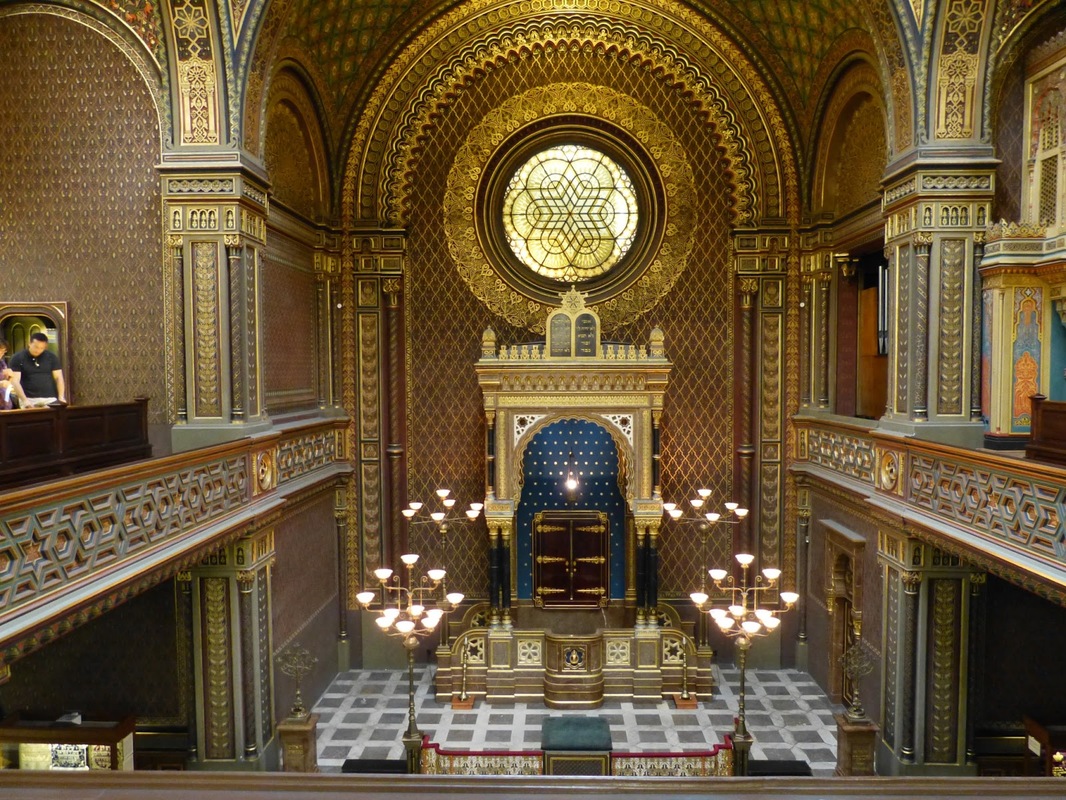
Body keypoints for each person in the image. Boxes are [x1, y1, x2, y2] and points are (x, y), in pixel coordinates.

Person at [9, 332, 66, 408]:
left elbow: (59, 378)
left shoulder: (51, 357)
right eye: (36, 347)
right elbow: (15, 381)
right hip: (29, 398)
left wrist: (61, 396)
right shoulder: (18, 358)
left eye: (42, 348)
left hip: (50, 398)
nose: (38, 350)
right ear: (29, 343)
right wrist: (24, 400)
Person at [0, 336, 13, 410]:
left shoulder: (2, 362)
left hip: (4, 402)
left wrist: (10, 376)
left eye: (3, 351)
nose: (1, 353)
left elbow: (8, 382)